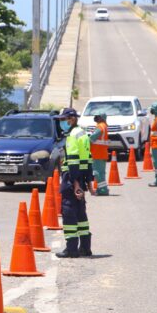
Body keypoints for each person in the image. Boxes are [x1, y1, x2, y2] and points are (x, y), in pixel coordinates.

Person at [56, 108, 95, 258]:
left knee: (69, 213)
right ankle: (85, 248)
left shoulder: (72, 136)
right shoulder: (83, 134)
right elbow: (88, 160)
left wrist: (76, 185)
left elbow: (73, 162)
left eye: (63, 120)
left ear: (71, 119)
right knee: (80, 215)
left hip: (71, 180)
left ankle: (71, 249)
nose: (61, 123)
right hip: (81, 178)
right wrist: (88, 183)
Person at [89, 112, 109, 196]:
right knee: (101, 172)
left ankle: (102, 189)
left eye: (98, 117)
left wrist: (86, 140)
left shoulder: (100, 126)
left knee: (97, 172)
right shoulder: (104, 126)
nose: (96, 118)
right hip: (102, 153)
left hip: (97, 153)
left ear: (102, 118)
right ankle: (103, 189)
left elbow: (92, 138)